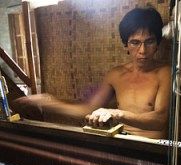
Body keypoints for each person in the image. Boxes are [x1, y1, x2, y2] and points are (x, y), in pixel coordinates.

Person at [14, 7, 171, 139]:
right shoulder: (116, 75)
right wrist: (47, 102)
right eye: (135, 42)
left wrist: (116, 114)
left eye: (149, 42)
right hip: (123, 141)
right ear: (126, 44)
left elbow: (159, 120)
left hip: (153, 147)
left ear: (157, 43)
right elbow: (87, 109)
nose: (142, 50)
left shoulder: (165, 73)